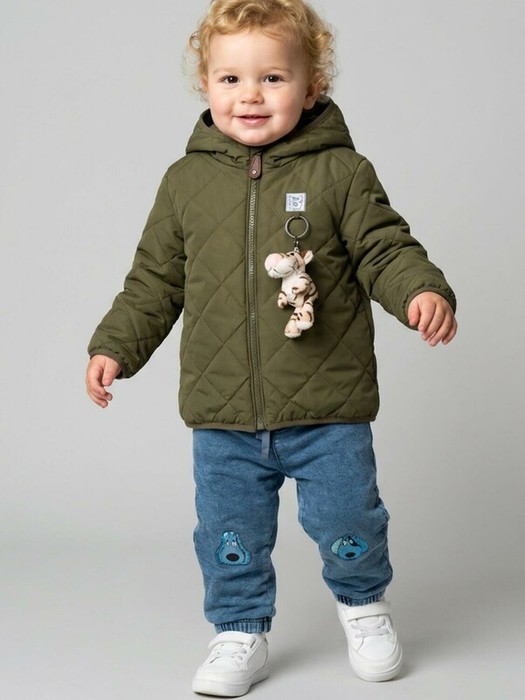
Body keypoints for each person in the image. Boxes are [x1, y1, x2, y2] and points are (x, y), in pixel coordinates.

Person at [85, 0, 457, 695]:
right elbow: (155, 280)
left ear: (311, 87)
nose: (249, 95)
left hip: (327, 404)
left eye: (273, 78)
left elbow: (384, 247)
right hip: (223, 411)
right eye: (230, 79)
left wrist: (420, 290)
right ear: (205, 84)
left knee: (349, 518)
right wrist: (115, 346)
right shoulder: (185, 182)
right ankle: (238, 631)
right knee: (228, 533)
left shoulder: (342, 172)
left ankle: (364, 607)